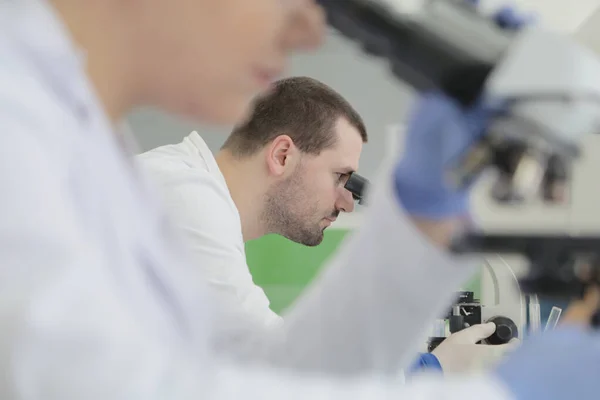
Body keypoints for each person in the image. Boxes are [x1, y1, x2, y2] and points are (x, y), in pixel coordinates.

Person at [0, 1, 598, 400]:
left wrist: (420, 217)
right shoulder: (16, 120)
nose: (311, 30)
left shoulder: (87, 143)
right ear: (283, 154)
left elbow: (263, 374)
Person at [137, 75, 515, 374]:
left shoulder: (183, 191)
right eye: (340, 176)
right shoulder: (183, 195)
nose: (347, 202)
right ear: (283, 155)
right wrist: (430, 369)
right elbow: (278, 374)